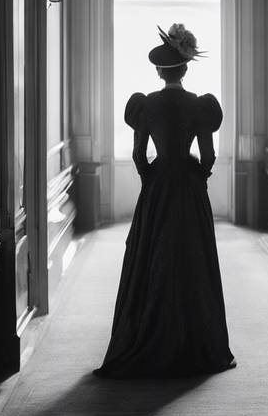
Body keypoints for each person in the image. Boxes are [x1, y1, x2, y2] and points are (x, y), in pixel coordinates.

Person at [94, 23, 235, 378]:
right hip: (189, 186)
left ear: (160, 71)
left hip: (158, 186)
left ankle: (148, 335)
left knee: (151, 254)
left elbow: (139, 154)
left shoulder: (146, 105)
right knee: (193, 256)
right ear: (185, 69)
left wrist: (150, 180)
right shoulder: (200, 106)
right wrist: (198, 179)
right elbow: (208, 156)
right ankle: (196, 339)